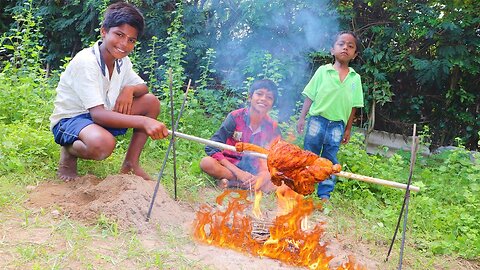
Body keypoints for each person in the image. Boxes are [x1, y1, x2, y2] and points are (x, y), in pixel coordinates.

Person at [49, 2, 169, 182]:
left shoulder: (122, 61)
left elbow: (143, 88)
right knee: (103, 145)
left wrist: (130, 89)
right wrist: (144, 122)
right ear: (104, 31)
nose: (124, 44)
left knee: (150, 102)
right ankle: (68, 151)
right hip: (71, 120)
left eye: (131, 40)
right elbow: (98, 115)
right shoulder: (86, 62)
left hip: (101, 114)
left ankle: (130, 164)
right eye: (119, 34)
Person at [296, 31, 364, 200]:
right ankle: (304, 185)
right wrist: (302, 117)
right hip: (317, 120)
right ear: (332, 50)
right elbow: (310, 96)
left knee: (329, 158)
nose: (345, 48)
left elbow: (354, 107)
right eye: (341, 44)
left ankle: (324, 192)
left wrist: (348, 129)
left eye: (350, 46)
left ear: (355, 55)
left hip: (337, 125)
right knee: (309, 154)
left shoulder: (355, 78)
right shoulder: (323, 71)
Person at [200, 79, 282, 193]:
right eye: (259, 94)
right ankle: (244, 184)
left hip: (255, 171)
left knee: (282, 183)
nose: (263, 99)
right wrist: (239, 173)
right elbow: (211, 147)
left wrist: (262, 177)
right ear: (250, 97)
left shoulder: (272, 127)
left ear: (272, 104)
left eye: (269, 97)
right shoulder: (235, 117)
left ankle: (232, 183)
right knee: (206, 162)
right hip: (230, 167)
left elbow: (276, 160)